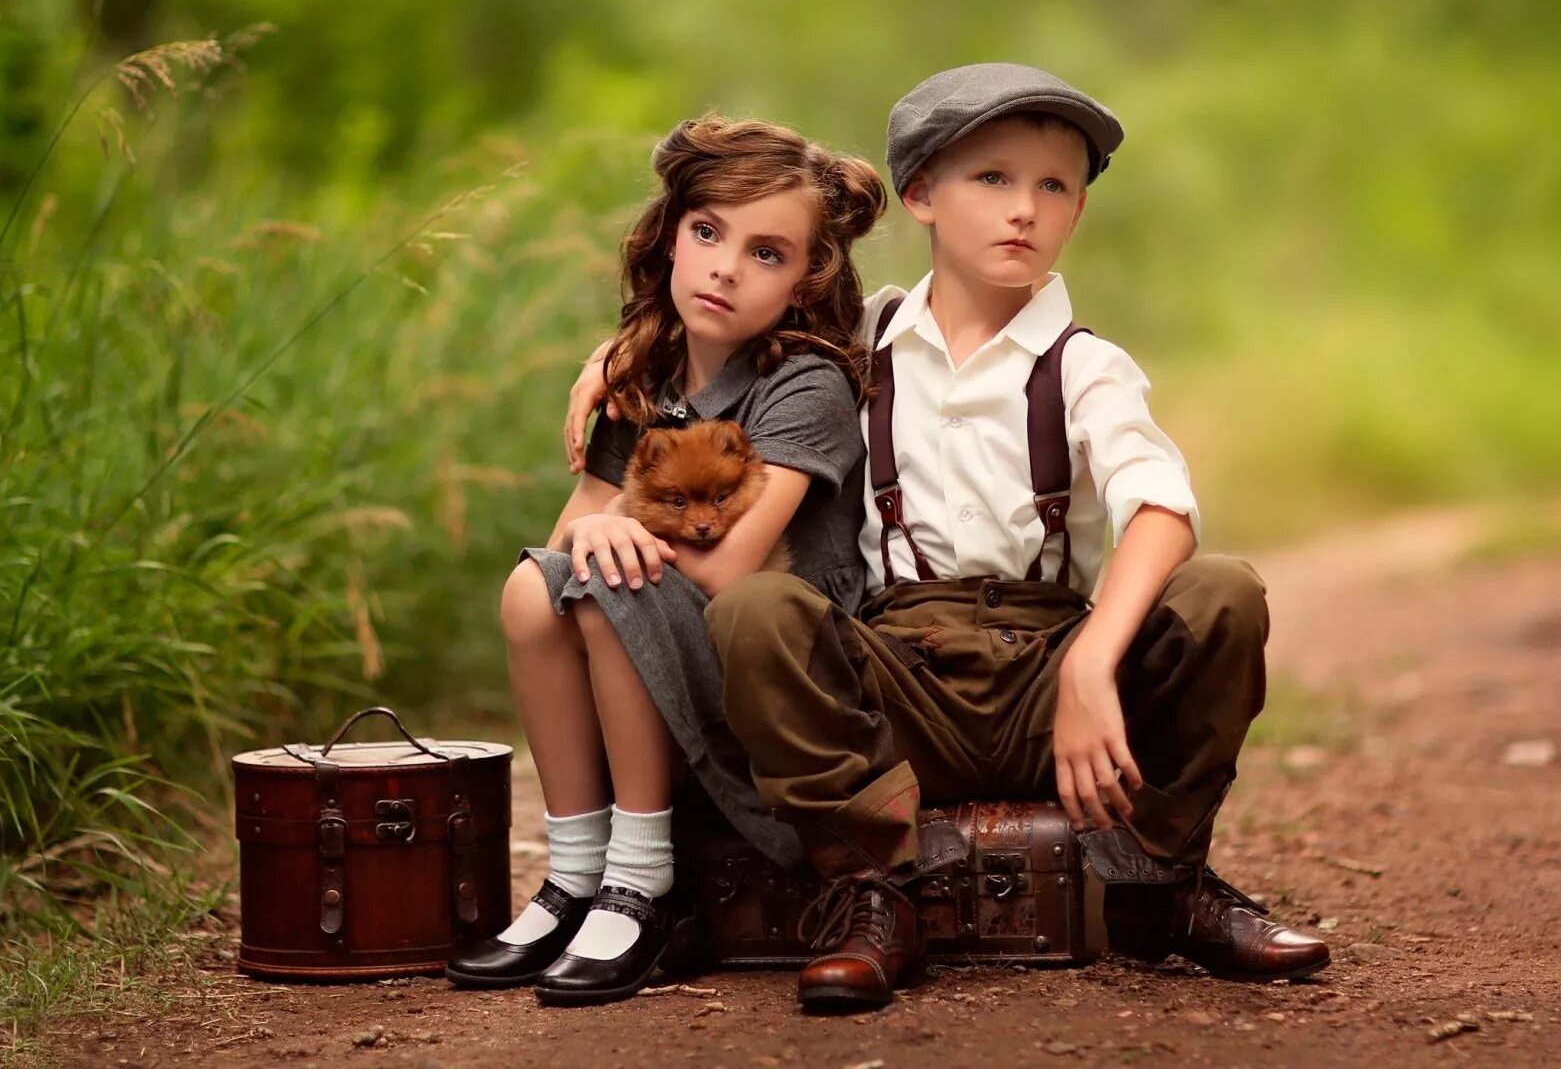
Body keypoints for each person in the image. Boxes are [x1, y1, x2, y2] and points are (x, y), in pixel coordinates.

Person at [569, 65, 1329, 1011]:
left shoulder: (1086, 365)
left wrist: (1094, 662)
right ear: (922, 194)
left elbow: (1161, 507)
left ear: (1079, 211)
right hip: (900, 682)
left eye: (1055, 186)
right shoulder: (863, 336)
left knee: (1223, 592)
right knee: (760, 608)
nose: (1025, 211)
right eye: (994, 180)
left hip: (1056, 681)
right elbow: (726, 323)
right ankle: (871, 891)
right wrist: (619, 356)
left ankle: (1162, 883)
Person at [446, 116, 885, 1006]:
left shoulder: (806, 383)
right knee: (533, 592)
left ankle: (639, 881)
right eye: (709, 232)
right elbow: (569, 533)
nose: (725, 267)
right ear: (672, 236)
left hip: (778, 665)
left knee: (613, 584)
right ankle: (573, 875)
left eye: (768, 254)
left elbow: (731, 574)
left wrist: (614, 534)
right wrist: (599, 521)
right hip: (667, 638)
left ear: (806, 283)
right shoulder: (641, 376)